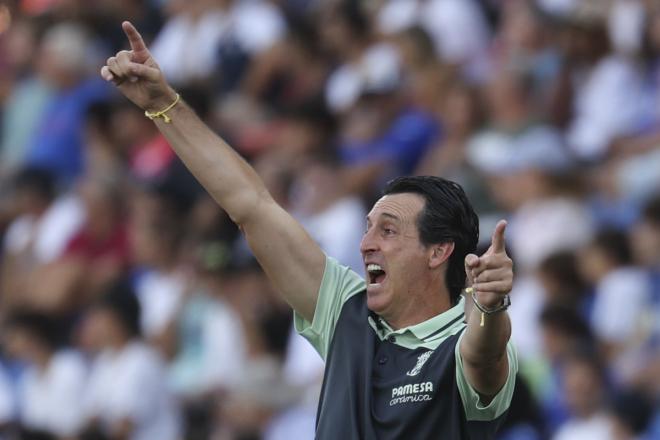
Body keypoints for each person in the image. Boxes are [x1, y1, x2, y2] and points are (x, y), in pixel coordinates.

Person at [101, 21, 517, 439]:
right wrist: (163, 105)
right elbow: (251, 205)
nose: (366, 243)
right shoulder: (344, 314)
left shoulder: (463, 339)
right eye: (368, 228)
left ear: (438, 250)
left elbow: (483, 354)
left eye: (388, 231)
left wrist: (490, 307)